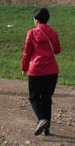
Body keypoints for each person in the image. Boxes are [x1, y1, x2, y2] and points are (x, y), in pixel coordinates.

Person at [21, 7, 61, 136]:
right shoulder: (53, 33)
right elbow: (57, 51)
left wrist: (24, 68)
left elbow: (27, 53)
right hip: (52, 71)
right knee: (46, 98)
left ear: (36, 20)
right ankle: (46, 129)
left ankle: (42, 119)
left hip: (36, 71)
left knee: (34, 98)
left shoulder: (32, 33)